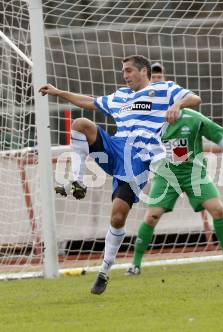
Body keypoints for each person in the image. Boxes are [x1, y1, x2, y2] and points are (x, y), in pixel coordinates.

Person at [39, 55, 201, 294]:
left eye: (128, 71)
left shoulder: (163, 89)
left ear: (143, 71)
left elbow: (195, 98)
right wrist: (58, 92)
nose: (125, 75)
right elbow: (89, 101)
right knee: (81, 124)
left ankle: (105, 269)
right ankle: (77, 180)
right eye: (123, 71)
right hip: (115, 147)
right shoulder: (120, 96)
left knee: (117, 217)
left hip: (138, 157)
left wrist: (177, 105)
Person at [125, 63, 223, 275]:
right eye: (155, 80)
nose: (158, 83)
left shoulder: (191, 116)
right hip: (166, 174)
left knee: (217, 210)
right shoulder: (148, 119)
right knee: (151, 217)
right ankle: (135, 265)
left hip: (194, 174)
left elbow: (216, 134)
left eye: (161, 79)